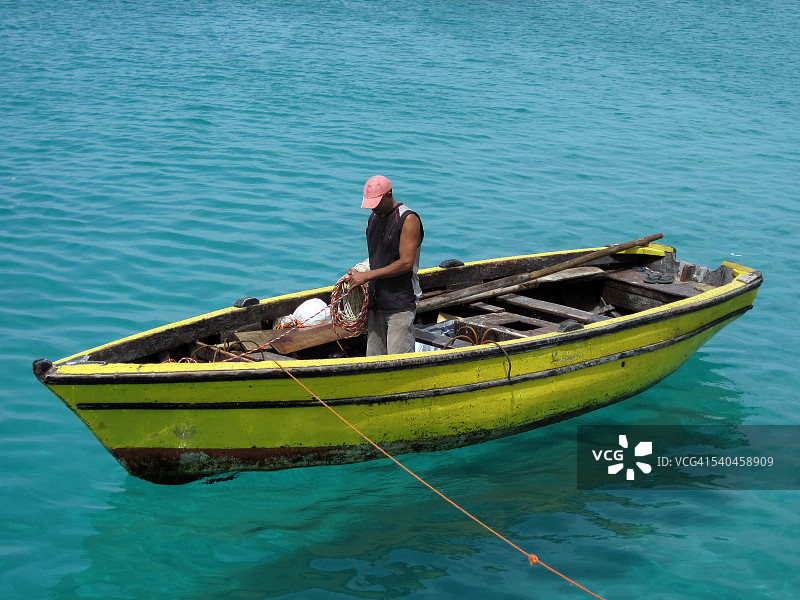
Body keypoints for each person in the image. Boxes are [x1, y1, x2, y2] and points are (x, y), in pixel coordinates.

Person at [346, 175, 424, 356]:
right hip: (377, 301)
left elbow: (406, 263)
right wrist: (360, 271)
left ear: (389, 195)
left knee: (398, 360)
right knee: (373, 359)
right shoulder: (374, 218)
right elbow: (378, 257)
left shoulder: (408, 219)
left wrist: (367, 276)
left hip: (400, 302)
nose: (374, 208)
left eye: (377, 203)